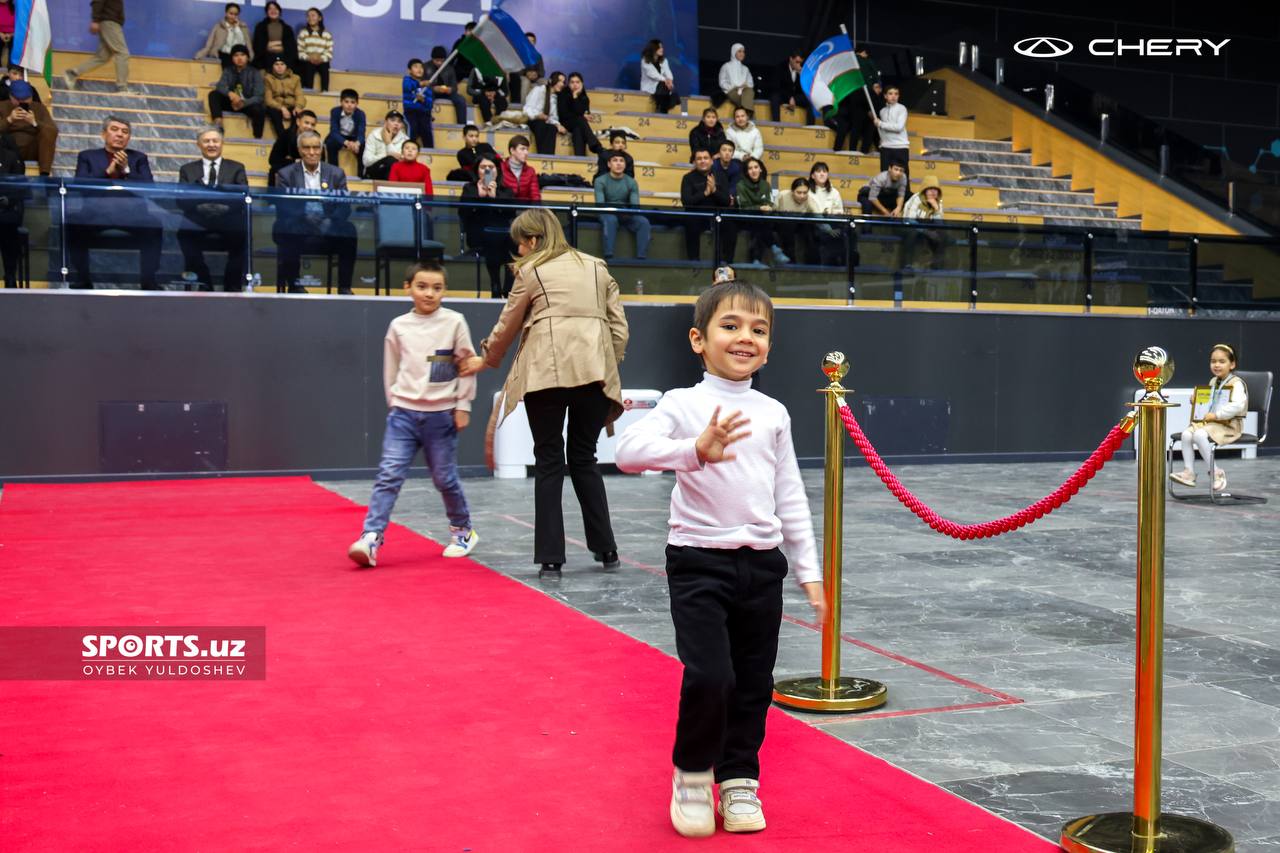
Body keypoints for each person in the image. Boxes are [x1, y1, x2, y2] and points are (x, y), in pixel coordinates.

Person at [614, 280, 824, 839]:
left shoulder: (773, 412)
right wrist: (692, 451)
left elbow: (789, 494)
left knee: (754, 681)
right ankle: (691, 774)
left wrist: (807, 569)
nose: (745, 338)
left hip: (761, 565)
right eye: (730, 326)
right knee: (710, 674)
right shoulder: (682, 404)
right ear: (697, 339)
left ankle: (738, 780)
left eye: (759, 329)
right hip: (698, 562)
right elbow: (627, 452)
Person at [457, 208, 628, 580]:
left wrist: (488, 359)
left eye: (519, 242)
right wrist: (605, 364)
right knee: (585, 458)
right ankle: (607, 549)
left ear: (532, 240)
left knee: (549, 460)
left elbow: (507, 323)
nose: (518, 250)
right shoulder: (598, 267)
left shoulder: (531, 270)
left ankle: (551, 559)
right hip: (595, 375)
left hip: (545, 375)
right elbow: (619, 327)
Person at [348, 261, 480, 568]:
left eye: (437, 288)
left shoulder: (455, 322)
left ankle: (463, 531)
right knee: (389, 475)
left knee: (444, 478)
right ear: (407, 287)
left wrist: (463, 405)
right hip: (404, 415)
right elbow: (390, 368)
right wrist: (394, 403)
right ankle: (371, 537)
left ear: (444, 290)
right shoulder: (398, 326)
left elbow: (468, 365)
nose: (429, 294)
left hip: (441, 415)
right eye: (422, 286)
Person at [68, 115, 160, 290]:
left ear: (129, 138)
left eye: (125, 132)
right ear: (103, 134)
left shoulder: (139, 158)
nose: (120, 135)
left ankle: (149, 280)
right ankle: (82, 278)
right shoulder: (87, 156)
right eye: (115, 130)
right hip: (96, 214)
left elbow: (149, 187)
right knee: (73, 222)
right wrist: (108, 172)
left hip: (132, 215)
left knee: (155, 224)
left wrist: (125, 170)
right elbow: (80, 186)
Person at [273, 129, 357, 294]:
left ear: (322, 149)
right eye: (306, 148)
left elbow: (344, 206)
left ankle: (344, 288)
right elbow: (284, 207)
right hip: (299, 225)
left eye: (316, 147)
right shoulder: (285, 174)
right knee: (287, 227)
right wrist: (305, 218)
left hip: (328, 226)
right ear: (299, 150)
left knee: (349, 230)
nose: (312, 152)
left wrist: (330, 220)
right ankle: (295, 285)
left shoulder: (336, 173)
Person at [176, 126, 248, 292]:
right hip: (198, 219)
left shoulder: (236, 168)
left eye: (215, 141)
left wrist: (218, 206)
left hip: (228, 218)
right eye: (206, 141)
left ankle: (232, 285)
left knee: (242, 234)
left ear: (222, 143)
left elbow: (243, 196)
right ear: (199, 145)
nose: (211, 144)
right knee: (183, 234)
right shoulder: (187, 169)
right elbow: (181, 200)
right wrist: (207, 205)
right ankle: (204, 281)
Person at [1171, 344, 1248, 492]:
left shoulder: (1236, 383)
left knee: (1199, 435)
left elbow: (1237, 405)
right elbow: (1211, 402)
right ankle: (1189, 473)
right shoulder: (1213, 381)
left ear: (1232, 364)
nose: (1217, 365)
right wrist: (1197, 400)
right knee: (1187, 434)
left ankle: (1216, 473)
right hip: (1212, 423)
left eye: (1222, 361)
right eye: (1213, 361)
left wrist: (1217, 415)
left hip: (1229, 425)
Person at [459, 154, 515, 298]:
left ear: (497, 170)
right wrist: (479, 196)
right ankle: (495, 283)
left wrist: (495, 197)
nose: (487, 170)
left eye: (491, 167)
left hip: (503, 235)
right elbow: (463, 213)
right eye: (483, 167)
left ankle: (507, 285)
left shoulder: (506, 191)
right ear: (477, 170)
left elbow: (511, 213)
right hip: (478, 234)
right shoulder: (469, 188)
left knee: (513, 243)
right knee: (492, 239)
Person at [64, 0, 133, 93]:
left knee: (102, 57)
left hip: (110, 22)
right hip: (110, 22)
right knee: (122, 53)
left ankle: (72, 73)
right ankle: (122, 87)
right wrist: (95, 20)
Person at [593, 151, 649, 260]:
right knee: (611, 220)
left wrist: (627, 212)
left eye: (621, 161)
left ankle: (641, 257)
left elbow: (635, 206)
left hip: (625, 213)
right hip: (606, 212)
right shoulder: (600, 181)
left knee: (643, 222)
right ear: (609, 164)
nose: (618, 164)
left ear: (625, 164)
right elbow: (600, 205)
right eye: (615, 160)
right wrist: (617, 212)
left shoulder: (631, 182)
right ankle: (609, 256)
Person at [680, 148, 730, 263]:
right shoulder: (688, 178)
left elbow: (726, 201)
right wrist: (705, 193)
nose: (703, 161)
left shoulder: (721, 176)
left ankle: (726, 262)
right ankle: (694, 260)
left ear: (711, 161)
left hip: (717, 215)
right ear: (694, 162)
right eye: (699, 159)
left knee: (730, 223)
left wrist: (714, 191)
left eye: (705, 158)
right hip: (697, 215)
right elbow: (686, 201)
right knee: (690, 221)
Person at [734, 156, 786, 267]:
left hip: (762, 218)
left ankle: (756, 260)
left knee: (761, 225)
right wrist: (759, 208)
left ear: (760, 169)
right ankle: (774, 247)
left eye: (756, 167)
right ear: (747, 172)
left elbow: (769, 202)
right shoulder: (740, 185)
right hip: (745, 218)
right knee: (759, 223)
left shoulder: (765, 185)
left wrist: (767, 207)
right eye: (750, 168)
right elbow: (743, 207)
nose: (753, 170)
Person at [0, 79, 57, 176]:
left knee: (48, 132)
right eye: (18, 99)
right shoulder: (2, 106)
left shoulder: (39, 108)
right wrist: (9, 119)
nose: (21, 102)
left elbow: (53, 130)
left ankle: (44, 174)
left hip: (32, 148)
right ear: (11, 97)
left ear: (31, 97)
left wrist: (34, 122)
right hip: (8, 149)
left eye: (26, 99)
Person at [208, 45, 265, 139]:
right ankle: (218, 124)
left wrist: (243, 103)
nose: (239, 58)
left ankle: (258, 137)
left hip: (247, 104)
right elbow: (220, 86)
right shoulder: (228, 70)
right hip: (232, 103)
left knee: (259, 109)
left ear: (247, 57)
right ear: (232, 58)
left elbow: (259, 96)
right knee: (213, 94)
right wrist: (230, 94)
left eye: (242, 55)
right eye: (236, 55)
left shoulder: (255, 73)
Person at [901, 174, 945, 270]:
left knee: (943, 235)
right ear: (925, 190)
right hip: (910, 227)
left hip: (927, 228)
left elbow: (940, 225)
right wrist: (927, 232)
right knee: (912, 234)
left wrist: (936, 209)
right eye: (930, 189)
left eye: (936, 189)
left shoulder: (938, 203)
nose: (933, 192)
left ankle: (937, 266)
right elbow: (909, 220)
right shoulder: (916, 199)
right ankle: (907, 265)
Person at [808, 161, 845, 266]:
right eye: (818, 171)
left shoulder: (834, 192)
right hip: (814, 223)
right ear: (812, 175)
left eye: (824, 171)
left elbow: (840, 211)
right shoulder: (808, 191)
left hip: (831, 221)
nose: (822, 174)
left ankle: (841, 265)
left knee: (846, 232)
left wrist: (831, 212)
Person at [194, 3, 253, 69]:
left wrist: (237, 28)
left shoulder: (243, 27)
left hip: (239, 56)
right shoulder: (218, 26)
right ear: (226, 13)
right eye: (231, 13)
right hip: (224, 55)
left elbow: (243, 44)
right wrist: (200, 55)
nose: (233, 16)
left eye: (236, 14)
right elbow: (209, 44)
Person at [0, 130, 24, 289]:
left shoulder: (9, 156)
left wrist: (7, 200)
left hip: (3, 210)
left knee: (8, 224)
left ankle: (10, 276)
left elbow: (18, 188)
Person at [267, 108, 315, 186]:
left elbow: (318, 161)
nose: (309, 127)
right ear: (298, 122)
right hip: (288, 168)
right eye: (306, 123)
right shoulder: (285, 135)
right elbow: (273, 159)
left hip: (308, 170)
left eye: (312, 125)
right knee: (275, 170)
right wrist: (295, 162)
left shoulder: (316, 138)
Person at [774, 177, 817, 264]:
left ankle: (810, 264)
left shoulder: (810, 200)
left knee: (811, 229)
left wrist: (829, 229)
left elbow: (818, 216)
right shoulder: (782, 196)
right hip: (783, 225)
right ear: (792, 191)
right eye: (799, 192)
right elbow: (773, 213)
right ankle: (789, 262)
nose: (802, 196)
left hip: (801, 225)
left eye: (805, 193)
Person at [559, 71, 602, 157]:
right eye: (572, 82)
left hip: (577, 124)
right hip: (565, 122)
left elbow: (585, 113)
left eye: (577, 82)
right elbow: (563, 114)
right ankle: (595, 144)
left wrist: (576, 98)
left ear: (582, 83)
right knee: (580, 120)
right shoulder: (563, 94)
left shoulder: (584, 97)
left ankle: (580, 157)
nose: (575, 85)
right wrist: (574, 96)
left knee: (578, 130)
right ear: (568, 84)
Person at [263, 54, 305, 140]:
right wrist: (281, 108)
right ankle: (282, 138)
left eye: (282, 64)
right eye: (276, 64)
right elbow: (268, 99)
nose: (279, 67)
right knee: (274, 114)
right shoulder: (267, 78)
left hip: (291, 104)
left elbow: (299, 95)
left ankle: (293, 137)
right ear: (272, 66)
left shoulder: (295, 78)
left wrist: (298, 106)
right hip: (276, 105)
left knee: (298, 114)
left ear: (286, 66)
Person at [524, 71, 566, 156]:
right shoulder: (538, 90)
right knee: (541, 125)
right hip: (534, 120)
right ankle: (542, 156)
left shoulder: (555, 98)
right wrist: (537, 115)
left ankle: (549, 157)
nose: (562, 84)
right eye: (560, 81)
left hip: (545, 121)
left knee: (552, 129)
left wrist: (557, 125)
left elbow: (552, 118)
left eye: (563, 82)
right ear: (551, 80)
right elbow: (527, 109)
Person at [325, 89, 366, 175]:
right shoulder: (335, 111)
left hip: (353, 137)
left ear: (357, 104)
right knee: (330, 143)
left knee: (364, 146)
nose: (349, 105)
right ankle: (334, 172)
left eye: (352, 102)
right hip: (339, 136)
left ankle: (361, 174)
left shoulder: (361, 114)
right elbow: (334, 131)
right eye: (346, 102)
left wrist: (357, 144)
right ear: (341, 102)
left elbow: (361, 132)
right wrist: (346, 143)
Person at [362, 110, 408, 181]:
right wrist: (387, 156)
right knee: (390, 160)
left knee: (392, 162)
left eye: (399, 121)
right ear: (386, 122)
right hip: (374, 171)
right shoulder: (374, 135)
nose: (396, 124)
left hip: (395, 174)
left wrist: (388, 143)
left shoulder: (405, 139)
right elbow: (366, 161)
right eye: (393, 120)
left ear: (402, 125)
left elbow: (404, 161)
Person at [428, 45, 468, 125]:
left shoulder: (449, 68)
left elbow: (455, 87)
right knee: (427, 96)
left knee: (461, 100)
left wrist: (450, 89)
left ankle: (462, 125)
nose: (439, 63)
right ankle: (427, 119)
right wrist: (434, 89)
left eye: (442, 60)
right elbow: (422, 86)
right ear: (432, 59)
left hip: (446, 93)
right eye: (437, 60)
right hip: (432, 92)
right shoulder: (426, 67)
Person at [251, 1, 296, 71]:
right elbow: (258, 46)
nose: (273, 11)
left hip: (283, 57)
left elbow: (291, 47)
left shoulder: (287, 28)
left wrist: (273, 45)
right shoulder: (260, 26)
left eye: (275, 9)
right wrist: (271, 46)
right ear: (266, 12)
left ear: (279, 12)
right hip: (265, 57)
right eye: (270, 9)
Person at [874, 84, 909, 175]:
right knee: (885, 176)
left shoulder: (902, 108)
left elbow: (898, 127)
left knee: (902, 176)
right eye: (890, 94)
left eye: (896, 94)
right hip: (886, 147)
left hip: (900, 147)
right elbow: (883, 130)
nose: (893, 96)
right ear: (885, 96)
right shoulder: (882, 111)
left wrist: (880, 124)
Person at [770, 51, 813, 124]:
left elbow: (806, 89)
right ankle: (776, 123)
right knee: (774, 97)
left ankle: (810, 125)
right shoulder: (780, 67)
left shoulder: (802, 70)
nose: (798, 64)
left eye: (800, 62)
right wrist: (790, 97)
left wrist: (801, 75)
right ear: (791, 59)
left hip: (795, 97)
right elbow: (777, 87)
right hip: (783, 95)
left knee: (809, 99)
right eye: (797, 62)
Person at [296, 7, 332, 92]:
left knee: (325, 66)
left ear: (320, 18)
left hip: (322, 61)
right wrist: (309, 58)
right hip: (308, 61)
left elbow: (329, 53)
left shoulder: (327, 34)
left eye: (313, 15)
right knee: (307, 67)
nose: (310, 18)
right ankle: (308, 92)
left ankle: (325, 91)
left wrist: (321, 58)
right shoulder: (303, 33)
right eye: (308, 16)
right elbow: (300, 52)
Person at [402, 58, 434, 150]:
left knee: (427, 132)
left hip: (424, 114)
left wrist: (423, 100)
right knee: (413, 128)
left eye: (421, 67)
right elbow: (408, 88)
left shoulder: (427, 87)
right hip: (411, 113)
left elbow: (430, 104)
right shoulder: (407, 80)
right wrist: (420, 84)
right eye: (416, 67)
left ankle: (431, 152)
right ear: (409, 70)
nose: (419, 69)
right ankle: (408, 150)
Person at [640, 38, 678, 114]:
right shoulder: (645, 60)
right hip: (650, 88)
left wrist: (669, 80)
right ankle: (662, 109)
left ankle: (660, 108)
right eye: (660, 47)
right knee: (663, 85)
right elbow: (653, 74)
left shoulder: (664, 60)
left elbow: (668, 72)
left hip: (662, 89)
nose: (662, 49)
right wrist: (666, 80)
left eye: (662, 47)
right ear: (653, 48)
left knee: (667, 88)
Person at [718, 43, 754, 117]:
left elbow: (751, 83)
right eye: (739, 51)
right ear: (734, 52)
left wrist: (745, 85)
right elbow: (722, 82)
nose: (742, 53)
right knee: (747, 100)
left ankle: (745, 114)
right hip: (732, 91)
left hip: (744, 90)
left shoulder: (745, 68)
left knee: (749, 91)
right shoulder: (726, 66)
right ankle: (749, 116)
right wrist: (733, 87)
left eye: (743, 51)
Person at [500, 134, 540, 202]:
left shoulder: (530, 171)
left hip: (524, 209)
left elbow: (535, 195)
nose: (526, 152)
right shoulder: (500, 168)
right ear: (512, 150)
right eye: (522, 149)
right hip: (505, 208)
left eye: (527, 149)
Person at [508, 32, 544, 103]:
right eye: (527, 41)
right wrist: (526, 73)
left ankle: (543, 108)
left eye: (532, 41)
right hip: (522, 76)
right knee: (525, 81)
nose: (530, 43)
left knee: (546, 82)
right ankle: (522, 106)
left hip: (535, 78)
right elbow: (514, 70)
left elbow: (542, 72)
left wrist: (536, 74)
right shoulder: (517, 54)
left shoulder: (538, 56)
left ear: (534, 43)